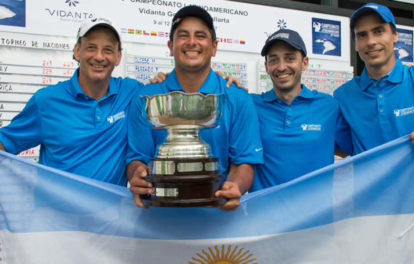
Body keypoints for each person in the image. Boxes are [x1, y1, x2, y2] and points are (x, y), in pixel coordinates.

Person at [126, 5, 263, 211]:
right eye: (183, 35)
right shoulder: (145, 97)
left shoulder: (238, 98)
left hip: (218, 221)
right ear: (171, 46)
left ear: (214, 46)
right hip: (158, 222)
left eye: (200, 35)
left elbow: (244, 162)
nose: (192, 42)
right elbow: (136, 157)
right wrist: (137, 174)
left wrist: (235, 186)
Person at [333, 3, 414, 262]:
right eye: (362, 35)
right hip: (374, 216)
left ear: (394, 35)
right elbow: (337, 147)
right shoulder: (344, 96)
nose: (371, 41)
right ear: (356, 44)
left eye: (378, 31)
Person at [0, 18, 144, 186]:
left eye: (108, 50)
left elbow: (163, 93)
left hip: (112, 212)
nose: (99, 57)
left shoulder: (131, 92)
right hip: (52, 211)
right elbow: (4, 142)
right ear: (77, 51)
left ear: (118, 57)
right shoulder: (46, 100)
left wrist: (159, 80)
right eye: (91, 48)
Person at [249, 29, 351, 192]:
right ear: (267, 67)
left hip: (317, 216)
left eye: (290, 58)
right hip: (264, 215)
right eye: (274, 60)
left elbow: (356, 148)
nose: (281, 67)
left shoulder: (329, 106)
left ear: (304, 62)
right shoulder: (250, 105)